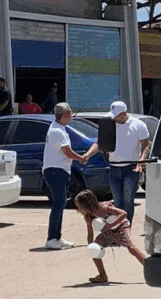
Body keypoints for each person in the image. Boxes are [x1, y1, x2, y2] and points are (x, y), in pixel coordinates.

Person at [75, 190, 146, 283]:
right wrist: (90, 246)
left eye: (79, 207)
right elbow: (90, 233)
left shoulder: (103, 208)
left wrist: (111, 225)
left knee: (131, 247)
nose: (77, 209)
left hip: (121, 228)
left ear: (86, 205)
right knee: (94, 249)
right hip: (108, 232)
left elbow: (123, 213)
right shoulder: (88, 217)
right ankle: (102, 275)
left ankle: (150, 268)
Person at [96, 101, 149, 225]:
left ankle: (126, 228)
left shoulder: (138, 125)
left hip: (131, 168)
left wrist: (141, 162)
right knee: (117, 201)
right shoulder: (109, 124)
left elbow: (145, 145)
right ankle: (117, 228)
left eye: (116, 115)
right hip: (114, 167)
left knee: (128, 201)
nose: (114, 118)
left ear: (124, 114)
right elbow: (101, 142)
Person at [42, 102, 87, 250]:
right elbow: (67, 152)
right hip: (55, 170)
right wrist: (81, 158)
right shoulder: (58, 131)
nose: (72, 116)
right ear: (65, 114)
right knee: (59, 203)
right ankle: (51, 238)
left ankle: (57, 237)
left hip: (60, 170)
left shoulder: (59, 128)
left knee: (60, 203)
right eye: (70, 114)